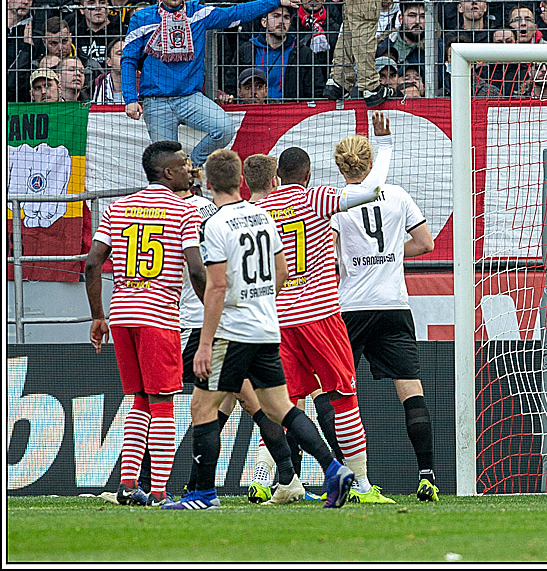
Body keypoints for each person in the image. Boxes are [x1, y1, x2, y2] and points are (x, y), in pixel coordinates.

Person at [160, 148, 354, 510]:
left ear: (210, 183)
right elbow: (282, 271)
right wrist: (261, 302)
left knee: (202, 408)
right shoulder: (263, 217)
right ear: (240, 180)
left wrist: (205, 344)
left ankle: (202, 494)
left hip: (232, 332)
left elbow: (216, 286)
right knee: (280, 407)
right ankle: (333, 469)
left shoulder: (214, 224)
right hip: (266, 327)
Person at [251, 113, 396, 505]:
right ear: (309, 173)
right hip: (320, 314)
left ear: (277, 175)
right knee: (344, 395)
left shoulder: (261, 210)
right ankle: (363, 486)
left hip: (279, 320)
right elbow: (371, 190)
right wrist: (383, 146)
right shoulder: (315, 198)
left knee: (285, 404)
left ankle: (281, 480)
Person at [84, 141, 207, 507]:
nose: (190, 169)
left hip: (121, 314)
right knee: (164, 402)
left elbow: (92, 264)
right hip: (159, 316)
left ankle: (127, 486)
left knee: (138, 400)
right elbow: (197, 269)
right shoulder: (183, 211)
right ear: (167, 172)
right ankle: (158, 493)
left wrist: (97, 316)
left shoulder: (118, 208)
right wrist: (216, 311)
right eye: (184, 164)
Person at [330, 128, 441, 501]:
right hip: (393, 303)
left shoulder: (335, 202)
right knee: (411, 390)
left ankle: (350, 477)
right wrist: (390, 252)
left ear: (340, 166)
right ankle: (426, 475)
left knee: (338, 392)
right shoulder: (396, 195)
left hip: (351, 307)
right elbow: (426, 243)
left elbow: (328, 255)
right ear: (371, 161)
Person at [121, 0, 299, 167]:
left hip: (190, 97)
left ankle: (192, 166)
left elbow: (235, 12)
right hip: (156, 101)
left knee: (224, 128)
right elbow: (128, 59)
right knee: (166, 165)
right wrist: (130, 98)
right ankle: (178, 180)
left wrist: (274, 1)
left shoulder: (199, 13)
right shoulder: (142, 18)